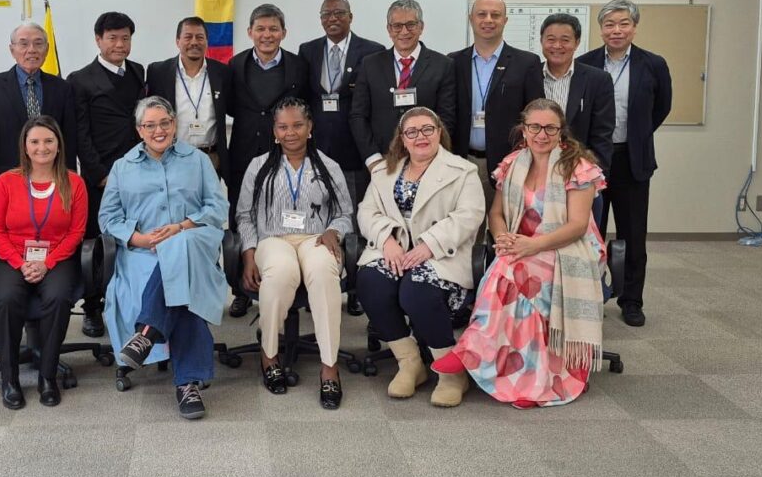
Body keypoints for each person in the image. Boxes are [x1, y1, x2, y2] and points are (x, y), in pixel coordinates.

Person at [431, 99, 606, 409]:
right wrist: (504, 240)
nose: (542, 134)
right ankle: (527, 376)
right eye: (534, 127)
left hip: (568, 249)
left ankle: (473, 349)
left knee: (509, 272)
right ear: (523, 130)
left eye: (550, 127)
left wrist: (531, 246)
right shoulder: (513, 164)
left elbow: (578, 226)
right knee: (508, 267)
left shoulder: (577, 166)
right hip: (522, 248)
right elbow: (496, 214)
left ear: (560, 131)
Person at [100, 97, 229, 419]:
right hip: (143, 251)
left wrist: (181, 227)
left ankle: (146, 334)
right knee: (181, 288)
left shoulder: (197, 161)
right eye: (150, 125)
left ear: (175, 124)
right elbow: (108, 216)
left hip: (193, 242)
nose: (159, 130)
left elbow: (217, 208)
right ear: (138, 130)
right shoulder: (122, 167)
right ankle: (187, 383)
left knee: (180, 252)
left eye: (165, 123)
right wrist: (138, 237)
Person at [356, 107, 483, 407]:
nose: (420, 137)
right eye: (411, 132)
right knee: (371, 282)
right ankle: (410, 362)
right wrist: (386, 240)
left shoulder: (462, 171)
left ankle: (450, 373)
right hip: (396, 252)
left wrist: (428, 245)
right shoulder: (386, 172)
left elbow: (469, 216)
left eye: (427, 129)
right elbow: (366, 211)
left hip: (441, 255)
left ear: (439, 132)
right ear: (402, 139)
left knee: (417, 291)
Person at [236, 98, 353, 409]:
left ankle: (329, 367)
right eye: (283, 126)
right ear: (274, 131)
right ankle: (269, 354)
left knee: (324, 274)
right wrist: (249, 255)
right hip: (273, 239)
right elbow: (244, 215)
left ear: (310, 127)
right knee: (280, 273)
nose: (290, 133)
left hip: (316, 238)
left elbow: (345, 213)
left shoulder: (328, 167)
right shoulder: (258, 167)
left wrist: (334, 231)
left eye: (297, 125)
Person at [577, 0, 672, 327]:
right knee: (590, 234)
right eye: (609, 24)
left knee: (633, 233)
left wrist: (638, 136)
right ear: (601, 28)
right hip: (593, 160)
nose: (616, 30)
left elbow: (661, 108)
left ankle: (632, 300)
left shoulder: (653, 64)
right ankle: (592, 295)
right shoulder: (586, 63)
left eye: (623, 24)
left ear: (634, 27)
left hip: (632, 160)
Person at [0, 116, 87, 409]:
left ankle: (47, 377)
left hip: (57, 257)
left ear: (58, 146)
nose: (42, 148)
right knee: (6, 300)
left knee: (57, 298)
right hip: (12, 258)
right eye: (35, 142)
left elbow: (76, 232)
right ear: (25, 147)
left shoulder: (74, 183)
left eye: (48, 141)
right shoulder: (7, 182)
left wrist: (48, 262)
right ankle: (10, 379)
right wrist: (20, 263)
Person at [298, 0, 385, 315]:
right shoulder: (307, 51)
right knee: (316, 220)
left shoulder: (372, 51)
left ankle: (357, 289)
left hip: (355, 152)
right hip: (317, 152)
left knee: (356, 223)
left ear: (351, 17)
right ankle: (315, 284)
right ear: (320, 19)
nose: (333, 18)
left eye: (339, 13)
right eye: (327, 14)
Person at [226, 4, 310, 318]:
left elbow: (304, 107)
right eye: (260, 29)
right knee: (242, 217)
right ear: (250, 32)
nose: (267, 35)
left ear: (283, 33)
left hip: (288, 153)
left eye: (273, 29)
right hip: (245, 152)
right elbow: (232, 107)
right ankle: (241, 290)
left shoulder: (299, 66)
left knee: (289, 214)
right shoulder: (234, 66)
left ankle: (293, 284)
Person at [67, 11, 145, 336]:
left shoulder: (138, 72)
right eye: (112, 38)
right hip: (100, 176)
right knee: (96, 242)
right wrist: (99, 173)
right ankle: (93, 307)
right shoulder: (80, 79)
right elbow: (80, 133)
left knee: (135, 237)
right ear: (98, 40)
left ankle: (134, 302)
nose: (119, 44)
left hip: (138, 171)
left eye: (125, 37)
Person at [449, 0, 543, 227]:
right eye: (481, 14)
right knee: (466, 233)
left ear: (505, 20)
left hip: (510, 164)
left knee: (507, 231)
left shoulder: (526, 63)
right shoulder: (453, 62)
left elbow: (535, 115)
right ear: (471, 19)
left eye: (495, 15)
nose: (488, 19)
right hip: (463, 161)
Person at [0, 21, 77, 208]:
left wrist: (69, 181)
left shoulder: (62, 88)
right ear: (12, 50)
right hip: (6, 180)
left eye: (38, 43)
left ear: (47, 49)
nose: (31, 49)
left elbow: (69, 138)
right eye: (24, 43)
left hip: (52, 180)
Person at [350, 0, 457, 172]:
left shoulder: (443, 65)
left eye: (411, 25)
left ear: (421, 27)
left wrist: (428, 156)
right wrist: (373, 159)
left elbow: (446, 118)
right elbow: (358, 115)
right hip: (380, 163)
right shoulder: (370, 64)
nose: (404, 31)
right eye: (397, 26)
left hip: (427, 163)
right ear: (389, 29)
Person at [144, 16, 232, 183]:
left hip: (211, 158)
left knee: (209, 207)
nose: (194, 42)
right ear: (178, 41)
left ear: (207, 41)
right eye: (188, 37)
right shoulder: (158, 72)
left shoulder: (222, 72)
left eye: (199, 37)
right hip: (171, 157)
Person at [539, 14, 615, 171]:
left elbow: (602, 134)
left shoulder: (598, 80)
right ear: (542, 41)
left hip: (580, 168)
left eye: (565, 40)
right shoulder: (529, 75)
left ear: (577, 43)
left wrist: (595, 175)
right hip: (536, 168)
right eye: (551, 39)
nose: (557, 46)